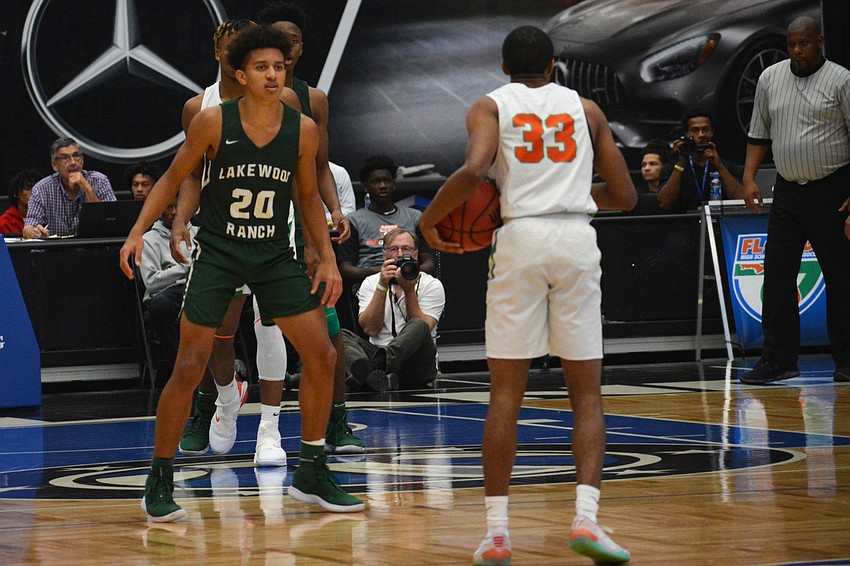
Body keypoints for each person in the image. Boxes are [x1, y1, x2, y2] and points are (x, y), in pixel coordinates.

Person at [119, 24, 364, 522]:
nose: (273, 75)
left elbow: (307, 198)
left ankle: (312, 471)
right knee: (190, 365)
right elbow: (173, 177)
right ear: (240, 74)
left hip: (274, 256)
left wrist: (326, 256)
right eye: (261, 68)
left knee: (321, 354)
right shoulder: (212, 122)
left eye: (278, 66)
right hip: (221, 254)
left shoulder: (303, 127)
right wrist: (139, 231)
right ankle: (159, 479)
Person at [419, 26, 636, 565]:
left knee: (505, 397)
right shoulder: (587, 110)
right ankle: (586, 518)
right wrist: (566, 193)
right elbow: (626, 195)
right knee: (587, 396)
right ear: (556, 64)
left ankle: (497, 533)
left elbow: (474, 170)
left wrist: (429, 219)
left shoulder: (490, 106)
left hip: (520, 239)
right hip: (576, 240)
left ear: (502, 67)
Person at [739, 16, 850, 385]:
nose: (797, 51)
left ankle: (847, 361)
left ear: (819, 41)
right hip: (787, 190)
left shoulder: (841, 80)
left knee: (842, 277)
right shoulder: (770, 78)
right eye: (792, 45)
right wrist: (749, 177)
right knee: (777, 275)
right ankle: (778, 361)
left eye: (804, 44)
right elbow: (759, 133)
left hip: (833, 190)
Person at [341, 228, 445, 392]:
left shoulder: (431, 285)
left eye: (406, 249)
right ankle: (377, 376)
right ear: (384, 255)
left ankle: (372, 371)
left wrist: (409, 290)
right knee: (341, 335)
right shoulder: (370, 283)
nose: (399, 254)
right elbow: (370, 329)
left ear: (415, 254)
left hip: (416, 363)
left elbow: (424, 330)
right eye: (393, 249)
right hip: (377, 352)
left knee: (419, 324)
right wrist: (382, 286)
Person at [337, 155, 436, 293]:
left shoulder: (415, 217)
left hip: (411, 279)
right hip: (371, 284)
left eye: (387, 180)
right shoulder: (353, 221)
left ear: (394, 185)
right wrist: (381, 272)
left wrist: (407, 271)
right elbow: (345, 269)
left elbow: (429, 263)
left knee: (434, 288)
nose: (382, 185)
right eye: (376, 181)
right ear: (366, 187)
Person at [139, 197, 198, 374]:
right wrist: (185, 268)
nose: (174, 212)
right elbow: (151, 282)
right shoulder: (148, 239)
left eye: (178, 207)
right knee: (159, 306)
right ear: (159, 210)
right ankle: (180, 368)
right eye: (169, 207)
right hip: (167, 293)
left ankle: (222, 366)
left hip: (197, 286)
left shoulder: (198, 232)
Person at [22, 138, 116, 238]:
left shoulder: (99, 181)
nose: (73, 162)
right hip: (55, 250)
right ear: (55, 165)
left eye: (76, 156)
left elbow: (111, 222)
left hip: (93, 249)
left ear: (82, 160)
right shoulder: (42, 188)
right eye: (65, 158)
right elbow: (28, 227)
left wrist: (87, 188)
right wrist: (33, 232)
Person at [656, 109, 743, 213]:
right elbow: (664, 203)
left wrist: (719, 166)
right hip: (684, 225)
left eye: (705, 129)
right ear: (687, 134)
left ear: (712, 132)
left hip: (719, 224)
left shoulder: (726, 166)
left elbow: (741, 200)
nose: (701, 135)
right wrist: (680, 164)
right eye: (695, 130)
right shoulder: (671, 168)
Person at [0, 169, 41, 235]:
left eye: (37, 189)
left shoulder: (49, 217)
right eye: (27, 188)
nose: (34, 192)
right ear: (15, 194)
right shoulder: (3, 223)